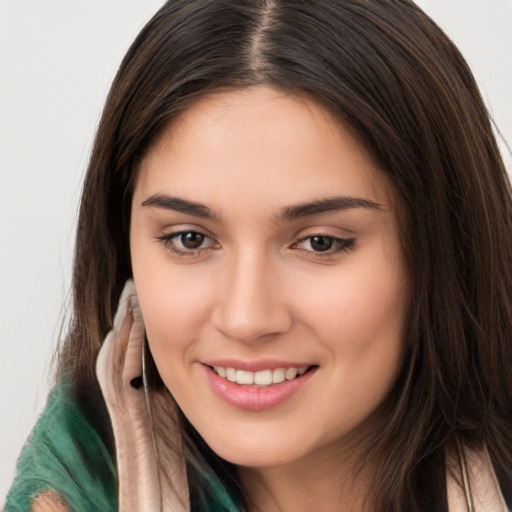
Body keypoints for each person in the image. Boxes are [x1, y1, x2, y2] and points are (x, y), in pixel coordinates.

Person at [4, 0, 512, 511]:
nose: (246, 319)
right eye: (190, 239)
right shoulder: (64, 497)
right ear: (124, 252)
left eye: (321, 242)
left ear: (447, 250)